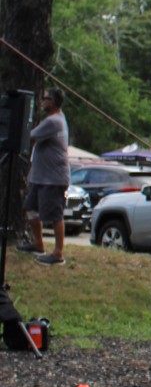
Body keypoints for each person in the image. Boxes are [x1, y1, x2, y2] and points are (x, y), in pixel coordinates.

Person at [19, 86, 70, 265]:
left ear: (53, 102)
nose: (42, 102)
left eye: (45, 98)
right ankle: (38, 243)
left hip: (53, 178)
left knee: (55, 215)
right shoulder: (57, 119)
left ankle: (58, 254)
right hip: (41, 176)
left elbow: (29, 136)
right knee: (30, 208)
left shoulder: (53, 121)